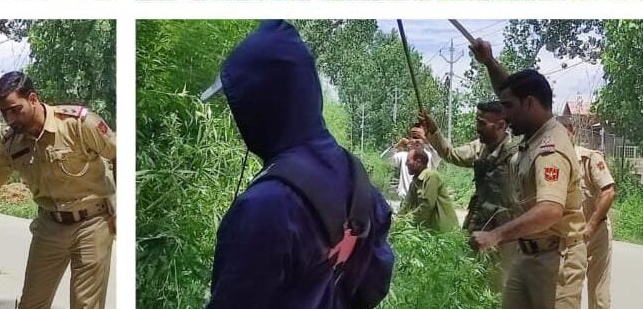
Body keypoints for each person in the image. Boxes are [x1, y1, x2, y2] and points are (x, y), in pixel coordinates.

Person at [195, 20, 393, 309]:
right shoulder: (356, 176)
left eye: (238, 108)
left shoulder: (265, 206)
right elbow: (376, 283)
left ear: (259, 106)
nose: (237, 121)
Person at [0, 71, 116, 309]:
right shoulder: (10, 143)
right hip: (49, 227)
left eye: (15, 110)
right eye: (4, 112)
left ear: (33, 99)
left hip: (92, 224)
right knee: (31, 304)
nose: (10, 118)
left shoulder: (77, 123)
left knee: (85, 305)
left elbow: (119, 154)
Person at [467, 39, 586, 309]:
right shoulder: (534, 134)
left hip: (555, 260)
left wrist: (495, 235)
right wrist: (489, 62)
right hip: (528, 253)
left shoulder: (550, 148)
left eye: (508, 108)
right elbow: (511, 91)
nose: (505, 117)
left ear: (530, 103)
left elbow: (550, 210)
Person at [422, 102, 521, 290]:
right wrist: (434, 131)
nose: (477, 128)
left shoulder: (517, 157)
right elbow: (451, 154)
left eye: (482, 123)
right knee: (469, 285)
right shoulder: (479, 148)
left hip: (503, 240)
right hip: (477, 229)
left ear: (501, 125)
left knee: (497, 290)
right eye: (477, 121)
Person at [562, 118, 616, 309]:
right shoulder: (553, 163)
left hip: (596, 232)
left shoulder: (589, 159)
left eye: (563, 133)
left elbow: (608, 192)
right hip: (568, 236)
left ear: (571, 132)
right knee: (566, 293)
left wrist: (591, 226)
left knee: (598, 295)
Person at [398, 147, 459, 232]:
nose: (405, 164)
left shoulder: (431, 176)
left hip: (442, 230)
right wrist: (398, 221)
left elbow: (427, 206)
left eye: (408, 161)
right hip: (429, 230)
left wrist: (406, 221)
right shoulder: (415, 182)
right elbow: (407, 204)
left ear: (418, 162)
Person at [380, 122, 438, 202]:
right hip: (404, 201)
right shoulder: (404, 156)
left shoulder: (430, 155)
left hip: (424, 203)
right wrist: (398, 145)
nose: (416, 140)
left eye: (419, 137)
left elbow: (440, 154)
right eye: (414, 137)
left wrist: (426, 141)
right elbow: (384, 159)